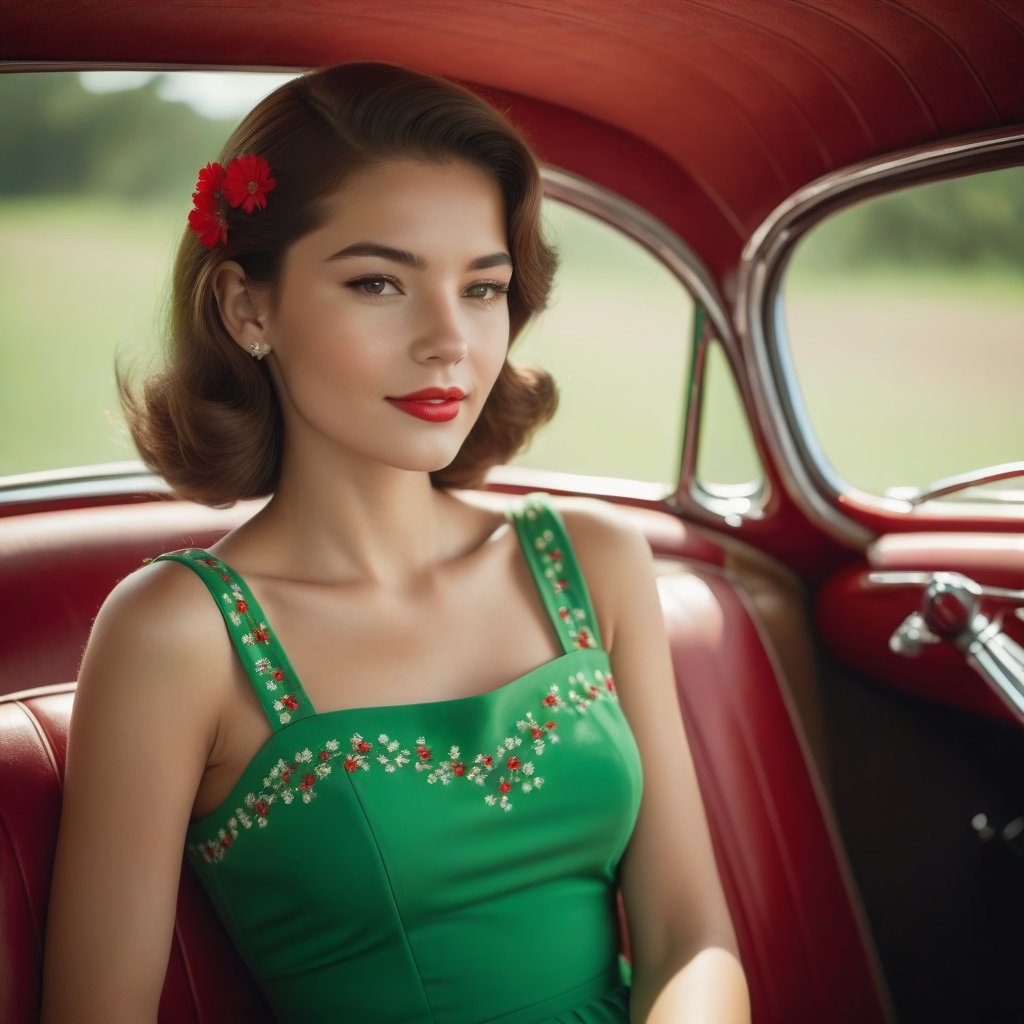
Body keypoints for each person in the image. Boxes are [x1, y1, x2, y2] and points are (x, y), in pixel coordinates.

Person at [41, 63, 749, 1023]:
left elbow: (691, 940)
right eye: (379, 282)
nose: (448, 340)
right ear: (248, 308)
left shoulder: (594, 561)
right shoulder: (175, 636)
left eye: (484, 288)